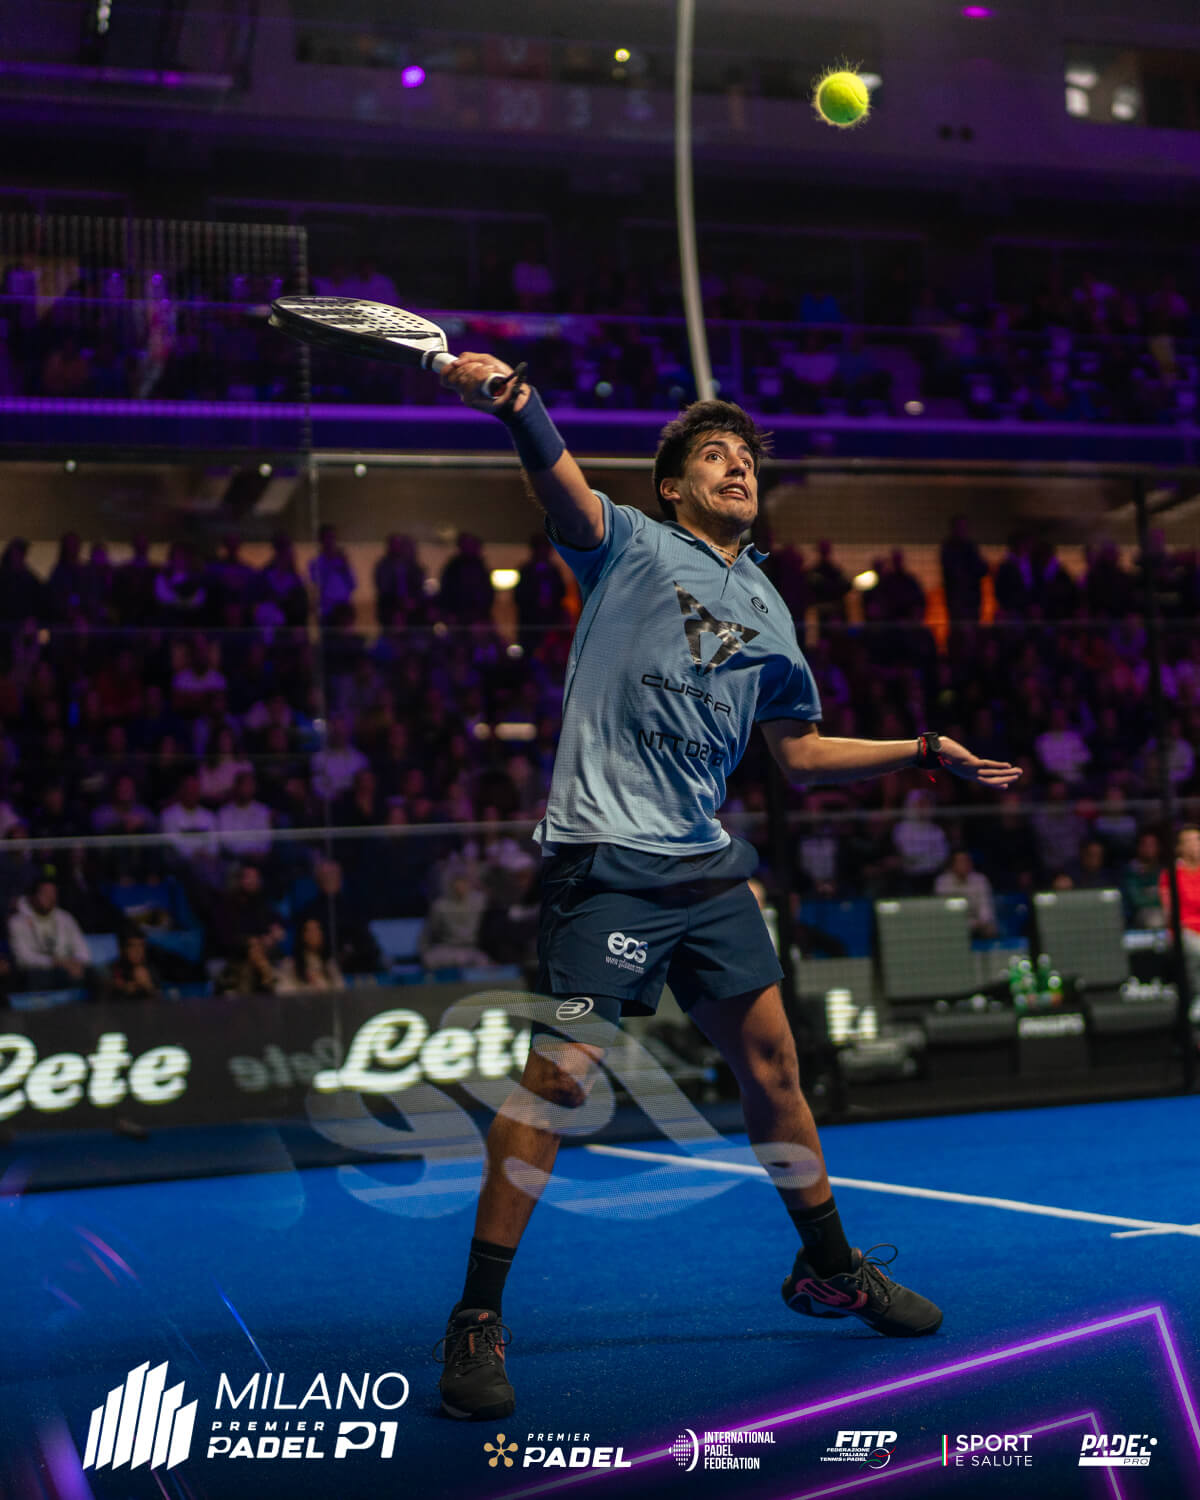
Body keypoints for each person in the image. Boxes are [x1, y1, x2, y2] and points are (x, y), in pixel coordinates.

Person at [431, 350, 1021, 1420]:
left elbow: (799, 755)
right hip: (606, 863)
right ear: (673, 486)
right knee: (559, 1080)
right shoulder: (629, 543)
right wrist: (518, 405)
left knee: (776, 1069)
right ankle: (476, 1316)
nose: (737, 465)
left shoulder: (769, 608)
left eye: (745, 456)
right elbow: (561, 486)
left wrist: (924, 748)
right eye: (713, 455)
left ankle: (829, 1270)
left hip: (705, 866)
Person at [8, 876, 92, 991]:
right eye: (45, 893)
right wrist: (57, 962)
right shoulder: (17, 922)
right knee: (37, 977)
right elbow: (24, 958)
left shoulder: (65, 918)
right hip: (39, 971)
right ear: (32, 896)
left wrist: (76, 963)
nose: (50, 897)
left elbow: (83, 950)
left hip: (68, 968)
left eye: (53, 893)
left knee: (95, 973)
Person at [1159, 825, 1200, 1002]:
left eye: (1197, 840)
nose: (1195, 845)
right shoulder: (1171, 874)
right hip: (1185, 931)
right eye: (1188, 841)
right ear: (1179, 848)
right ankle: (1197, 997)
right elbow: (1169, 912)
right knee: (1197, 949)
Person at [934, 848, 997, 938]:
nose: (964, 864)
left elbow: (985, 906)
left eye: (966, 861)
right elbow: (945, 909)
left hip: (978, 923)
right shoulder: (943, 882)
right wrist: (968, 924)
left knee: (990, 929)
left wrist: (982, 922)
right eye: (960, 861)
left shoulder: (980, 880)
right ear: (952, 865)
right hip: (953, 924)